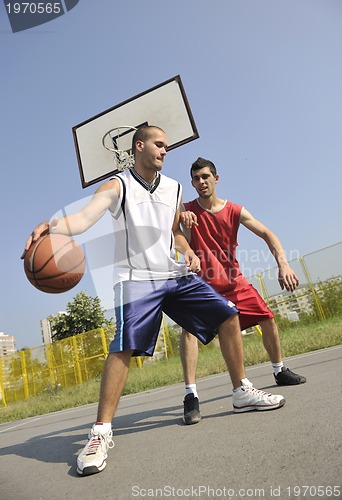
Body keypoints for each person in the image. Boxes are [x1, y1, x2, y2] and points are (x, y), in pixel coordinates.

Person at [22, 128, 285, 476]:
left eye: (166, 145)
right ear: (139, 146)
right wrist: (55, 226)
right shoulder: (118, 185)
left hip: (173, 275)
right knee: (123, 346)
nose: (165, 149)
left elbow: (174, 232)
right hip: (136, 280)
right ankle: (100, 433)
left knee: (228, 314)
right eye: (159, 144)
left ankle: (241, 391)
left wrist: (188, 250)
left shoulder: (174, 188)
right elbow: (85, 218)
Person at [180, 156, 306, 425]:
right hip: (204, 285)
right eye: (195, 178)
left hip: (234, 282)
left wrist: (283, 264)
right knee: (188, 330)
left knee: (267, 317)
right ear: (191, 183)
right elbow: (174, 234)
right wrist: (182, 225)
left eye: (205, 176)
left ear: (216, 178)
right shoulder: (186, 210)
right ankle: (191, 395)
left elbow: (267, 234)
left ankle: (279, 370)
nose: (201, 182)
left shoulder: (235, 210)